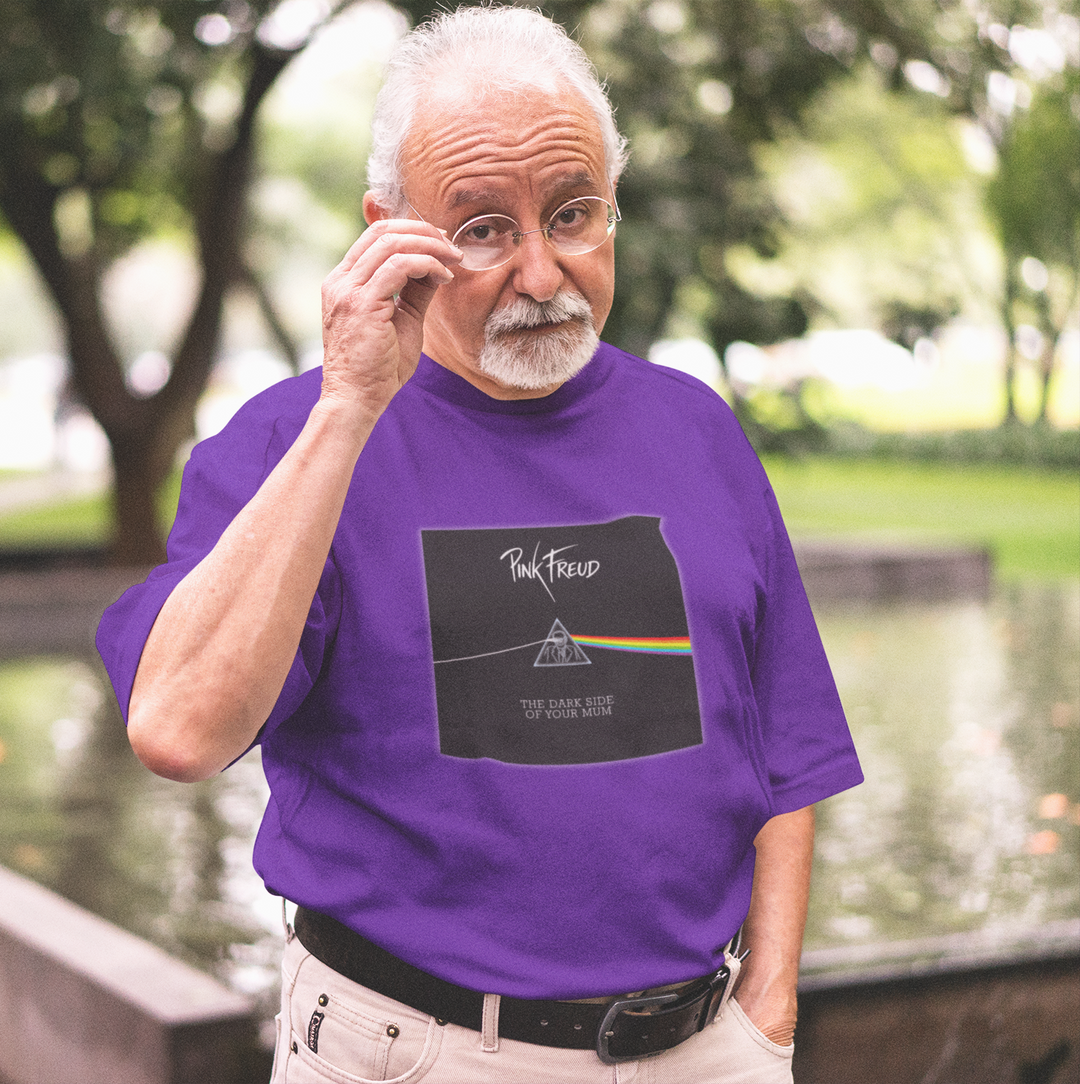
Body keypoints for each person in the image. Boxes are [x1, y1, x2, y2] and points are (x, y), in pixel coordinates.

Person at [97, 7, 862, 1081]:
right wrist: (349, 405)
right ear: (386, 229)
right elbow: (177, 728)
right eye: (482, 228)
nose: (543, 273)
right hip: (416, 1052)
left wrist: (767, 1007)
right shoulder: (288, 444)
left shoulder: (693, 428)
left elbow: (782, 747)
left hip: (704, 1050)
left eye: (572, 214)